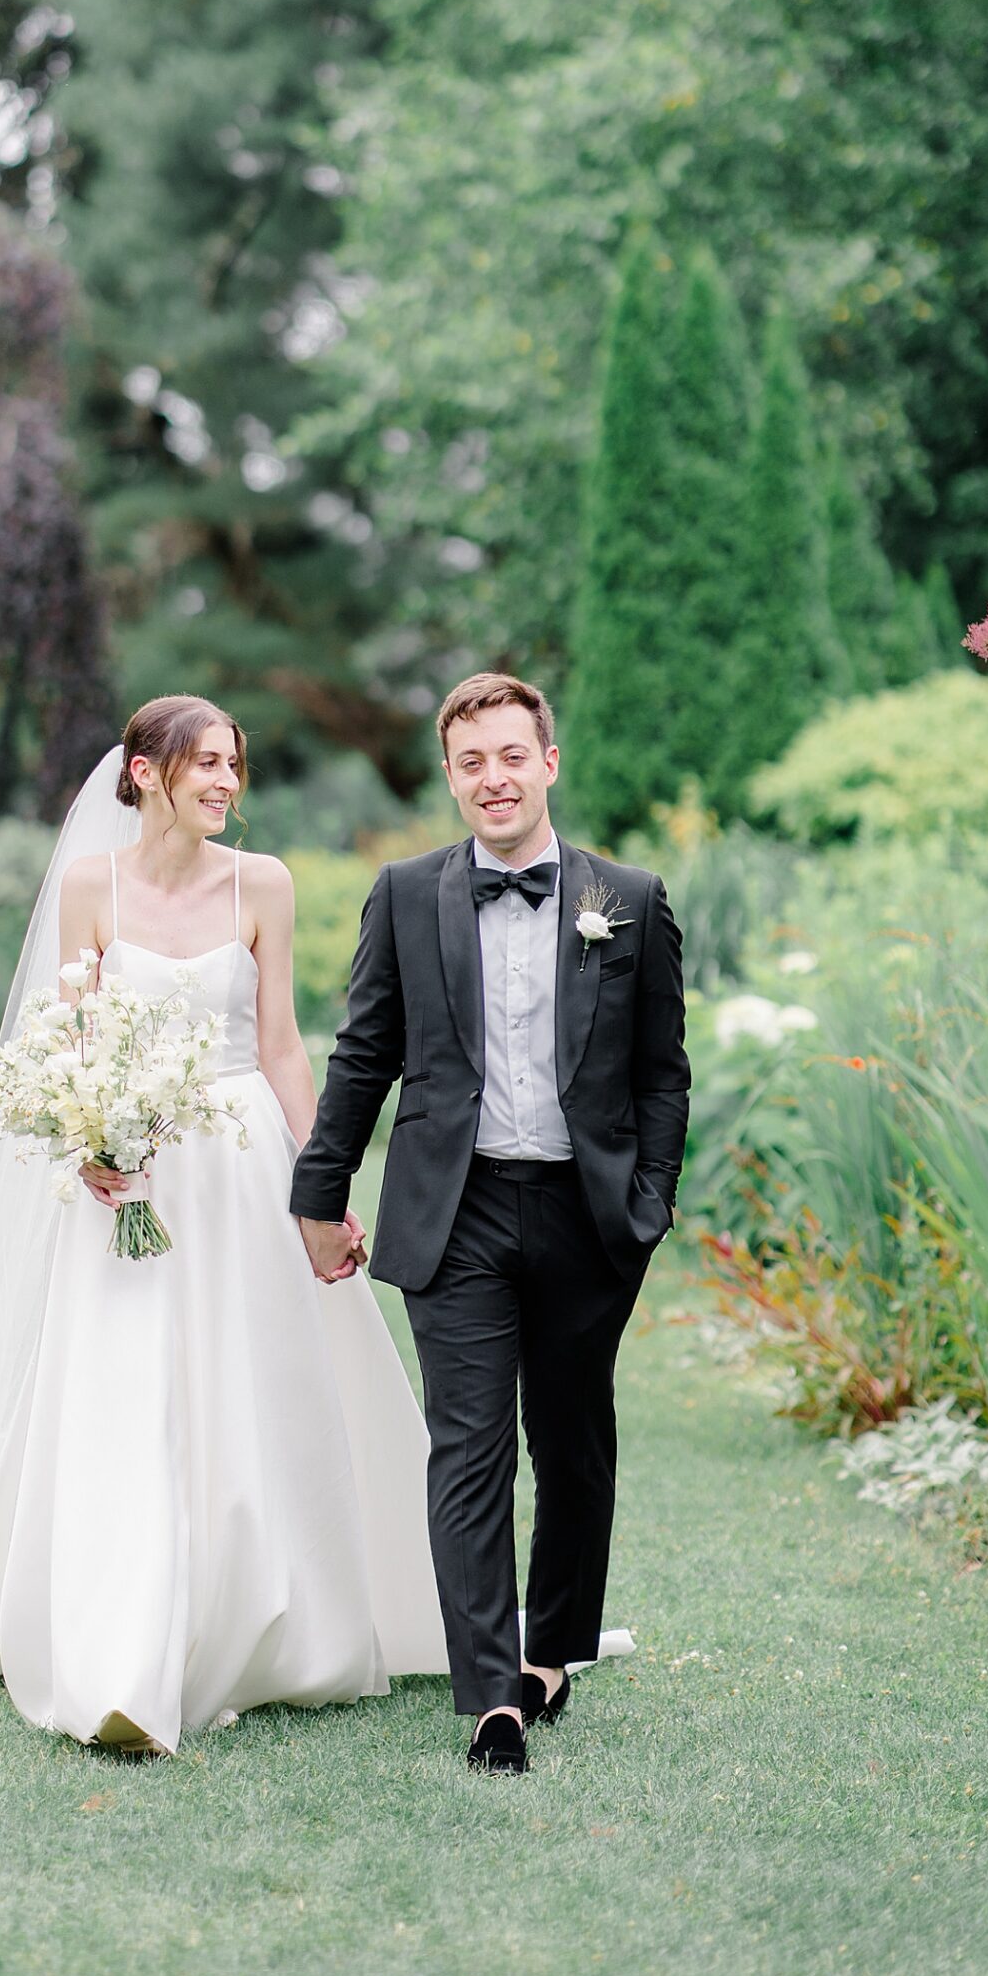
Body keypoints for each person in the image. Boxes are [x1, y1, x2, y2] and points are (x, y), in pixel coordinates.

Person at [0, 696, 447, 1755]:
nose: (225, 784)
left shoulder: (265, 883)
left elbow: (287, 1045)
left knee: (257, 1385)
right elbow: (71, 1035)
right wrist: (92, 1140)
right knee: (128, 1392)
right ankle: (123, 1654)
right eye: (205, 764)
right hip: (137, 1174)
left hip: (245, 1163)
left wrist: (322, 1183)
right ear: (146, 772)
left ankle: (272, 1626)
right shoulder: (90, 885)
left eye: (234, 768)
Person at [290, 672, 690, 1773]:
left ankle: (550, 1650)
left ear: (548, 762)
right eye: (471, 762)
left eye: (512, 755)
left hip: (586, 1214)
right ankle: (489, 1699)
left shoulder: (635, 899)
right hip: (452, 1212)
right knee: (467, 1447)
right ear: (452, 777)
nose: (493, 778)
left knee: (570, 1443)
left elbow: (663, 1073)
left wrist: (647, 1200)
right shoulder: (408, 893)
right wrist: (319, 1195)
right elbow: (364, 1052)